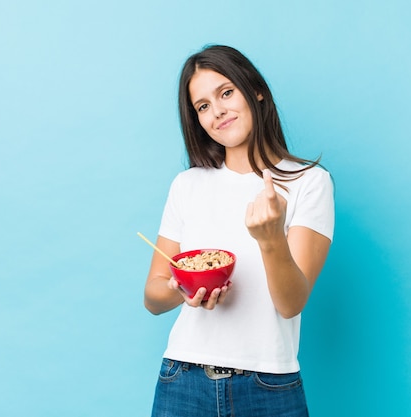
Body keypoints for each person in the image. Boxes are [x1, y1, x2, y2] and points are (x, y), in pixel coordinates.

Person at [143, 45, 334, 417]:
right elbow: (152, 297)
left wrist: (270, 239)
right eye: (202, 106)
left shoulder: (309, 182)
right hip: (182, 377)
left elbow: (291, 303)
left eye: (226, 92)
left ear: (256, 91)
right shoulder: (187, 184)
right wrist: (182, 288)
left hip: (268, 384)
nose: (217, 112)